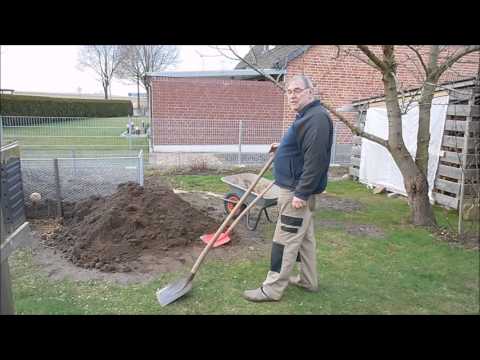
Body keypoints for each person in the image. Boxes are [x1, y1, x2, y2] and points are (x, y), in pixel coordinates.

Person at [243, 75, 333, 302]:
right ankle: (308, 280)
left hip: (296, 192)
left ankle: (271, 289)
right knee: (304, 240)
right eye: (289, 91)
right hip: (295, 189)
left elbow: (316, 160)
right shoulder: (307, 116)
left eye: (297, 90)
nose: (292, 95)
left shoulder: (317, 119)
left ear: (311, 91)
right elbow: (303, 148)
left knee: (283, 241)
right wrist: (282, 146)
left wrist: (302, 194)